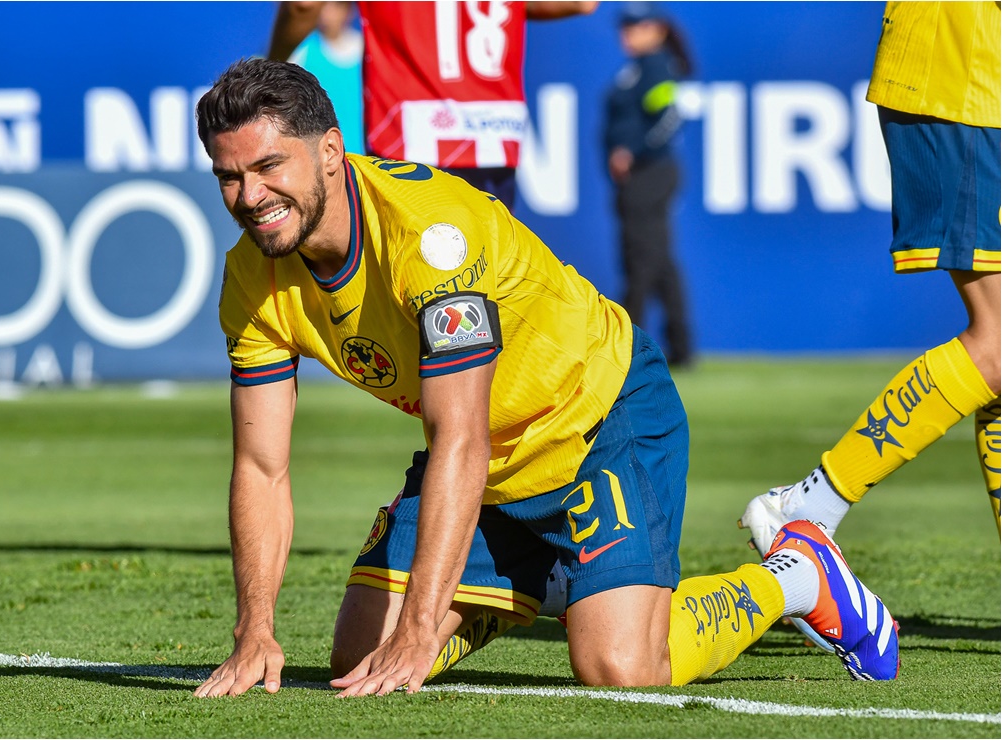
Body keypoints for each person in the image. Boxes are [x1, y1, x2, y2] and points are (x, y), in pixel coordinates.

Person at [190, 58, 899, 699]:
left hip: (597, 414)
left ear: (330, 151)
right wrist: (253, 631)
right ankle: (546, 577)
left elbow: (459, 437)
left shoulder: (433, 240)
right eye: (229, 175)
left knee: (619, 667)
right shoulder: (249, 279)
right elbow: (260, 466)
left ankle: (796, 574)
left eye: (269, 167)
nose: (250, 196)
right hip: (488, 464)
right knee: (359, 657)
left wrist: (421, 625)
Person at [739, 1, 1000, 648]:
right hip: (959, 79)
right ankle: (809, 505)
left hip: (976, 75)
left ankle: (812, 503)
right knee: (997, 340)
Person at [268, 1, 599, 211]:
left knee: (417, 295)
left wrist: (272, 65)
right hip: (495, 136)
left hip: (414, 138)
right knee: (484, 286)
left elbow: (303, 5)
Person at [603, 2, 694, 367]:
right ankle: (681, 346)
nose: (627, 34)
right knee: (658, 260)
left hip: (651, 175)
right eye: (625, 27)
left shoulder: (655, 67)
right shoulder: (637, 69)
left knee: (640, 259)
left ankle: (628, 347)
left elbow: (670, 117)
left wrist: (634, 152)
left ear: (656, 30)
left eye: (636, 27)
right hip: (643, 177)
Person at [287, 1, 366, 155]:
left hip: (362, 155)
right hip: (323, 155)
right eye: (323, 5)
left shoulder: (364, 50)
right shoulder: (301, 51)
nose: (328, 12)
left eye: (336, 5)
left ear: (349, 10)